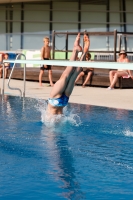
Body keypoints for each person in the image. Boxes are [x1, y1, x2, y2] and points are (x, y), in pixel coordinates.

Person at [45, 33, 89, 118]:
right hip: (55, 101)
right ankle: (77, 50)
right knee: (66, 74)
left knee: (75, 73)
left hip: (63, 102)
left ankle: (82, 51)